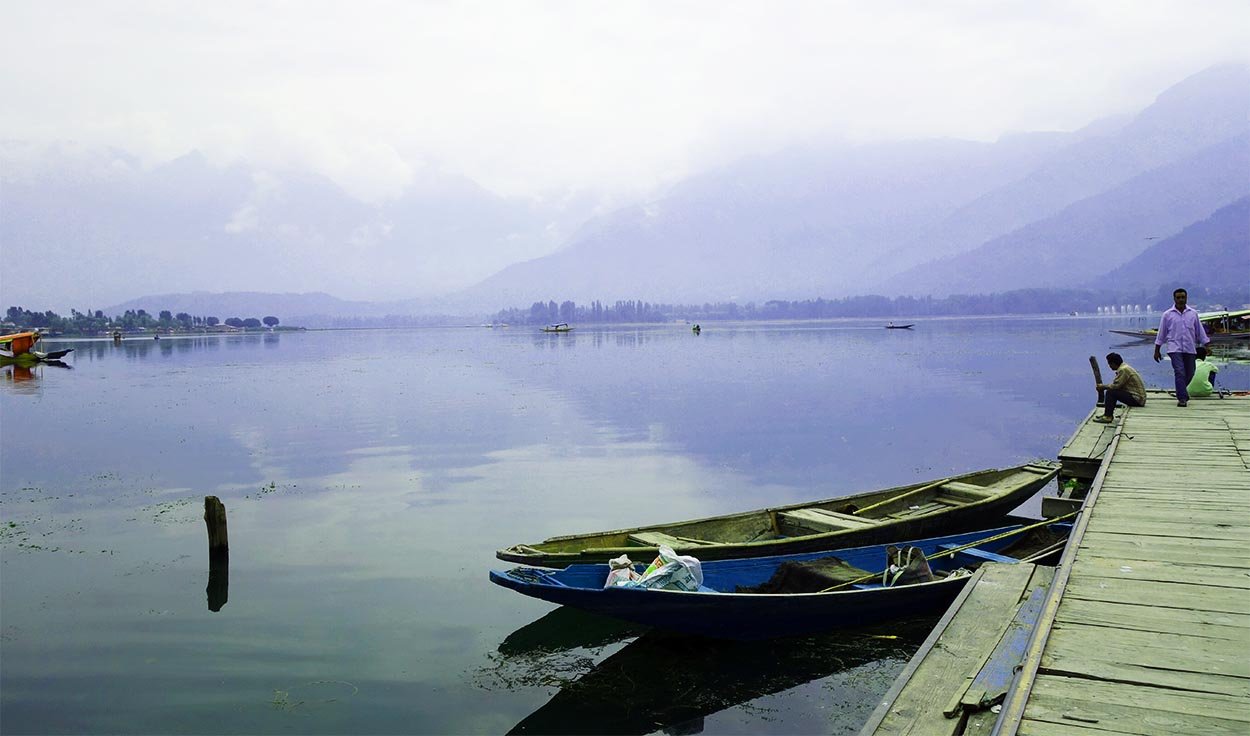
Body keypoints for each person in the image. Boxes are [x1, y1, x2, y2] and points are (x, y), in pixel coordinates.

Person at [1153, 287, 1209, 406]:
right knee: (1179, 371)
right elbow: (1161, 334)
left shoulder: (1193, 314)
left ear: (1186, 298)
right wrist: (1157, 350)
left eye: (1183, 297)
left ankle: (1181, 391)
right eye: (1178, 297)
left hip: (1189, 348)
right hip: (1174, 348)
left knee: (1190, 372)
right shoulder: (1167, 315)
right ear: (1174, 299)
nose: (1181, 300)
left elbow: (1200, 331)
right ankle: (1182, 398)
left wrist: (1207, 345)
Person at [1094, 352, 1146, 423]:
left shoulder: (1123, 370)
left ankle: (1108, 416)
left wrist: (1102, 386)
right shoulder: (1124, 367)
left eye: (1110, 364)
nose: (1109, 366)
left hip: (1137, 399)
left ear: (1113, 363)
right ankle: (1107, 413)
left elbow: (1116, 386)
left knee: (1110, 392)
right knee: (1112, 391)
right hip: (1138, 398)